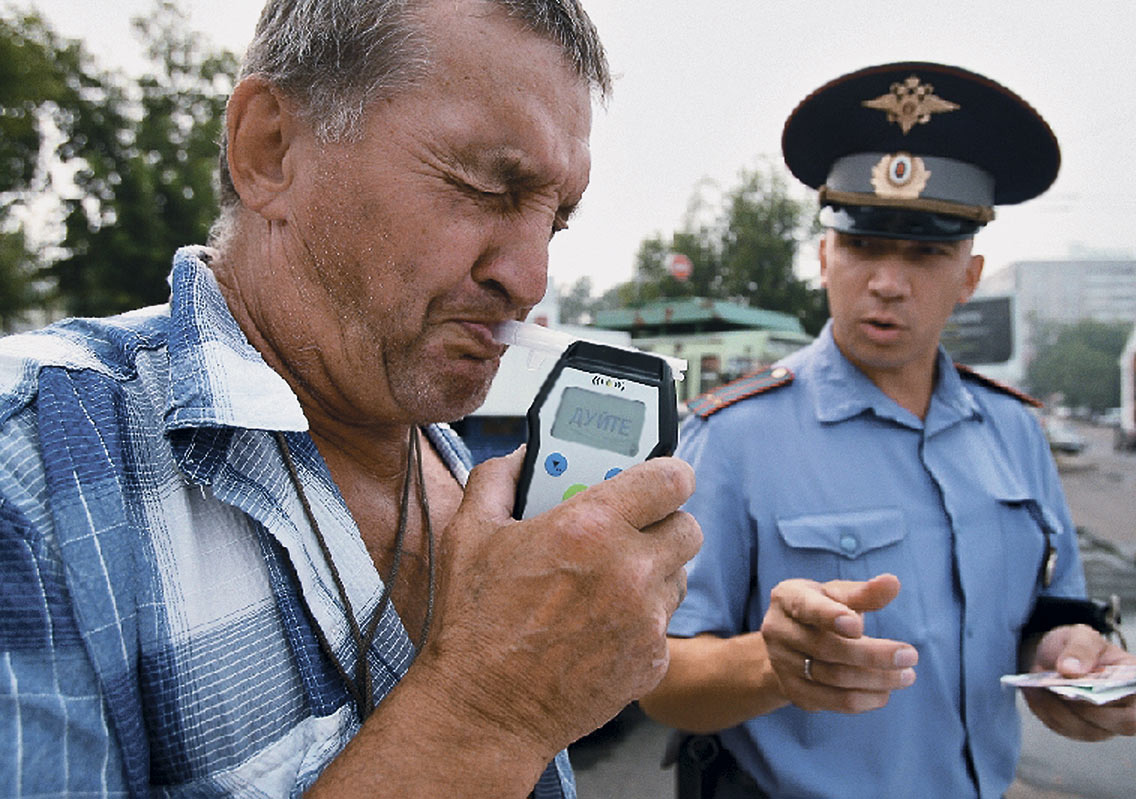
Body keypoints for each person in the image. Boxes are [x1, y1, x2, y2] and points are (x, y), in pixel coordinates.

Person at [0, 1, 700, 797]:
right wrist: (492, 710)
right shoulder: (32, 471)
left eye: (557, 222)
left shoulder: (441, 449)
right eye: (483, 185)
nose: (531, 282)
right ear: (271, 150)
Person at [640, 62, 1136, 798]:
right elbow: (660, 676)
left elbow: (1048, 612)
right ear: (824, 258)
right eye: (864, 244)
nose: (887, 280)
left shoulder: (1014, 430)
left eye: (925, 251)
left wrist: (1071, 661)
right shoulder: (733, 435)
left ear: (969, 278)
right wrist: (773, 664)